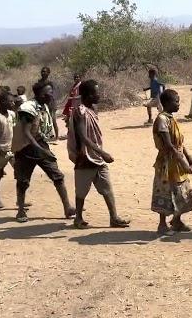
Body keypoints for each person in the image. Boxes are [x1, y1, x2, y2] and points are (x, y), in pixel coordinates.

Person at [67, 79, 130, 229]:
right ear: (88, 95)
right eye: (96, 92)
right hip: (85, 157)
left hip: (96, 156)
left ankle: (114, 217)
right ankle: (78, 219)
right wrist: (103, 153)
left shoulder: (93, 109)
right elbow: (83, 137)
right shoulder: (80, 112)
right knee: (82, 191)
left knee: (107, 188)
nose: (99, 95)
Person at [11, 80, 75, 223]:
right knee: (23, 181)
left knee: (57, 176)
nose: (51, 95)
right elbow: (27, 133)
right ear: (40, 93)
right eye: (48, 92)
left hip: (40, 144)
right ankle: (20, 210)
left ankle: (68, 207)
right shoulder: (28, 107)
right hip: (25, 147)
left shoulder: (43, 106)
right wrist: (41, 150)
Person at [151, 89, 192, 236]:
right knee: (165, 191)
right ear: (166, 103)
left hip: (176, 160)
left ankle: (177, 221)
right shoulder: (162, 120)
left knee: (181, 191)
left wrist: (188, 156)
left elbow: (179, 143)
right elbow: (169, 145)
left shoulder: (171, 119)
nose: (178, 104)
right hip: (167, 162)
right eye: (176, 101)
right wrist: (183, 162)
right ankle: (162, 225)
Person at [0, 91, 17, 209]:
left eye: (13, 101)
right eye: (10, 101)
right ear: (2, 102)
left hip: (12, 148)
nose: (12, 103)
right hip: (1, 149)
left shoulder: (12, 114)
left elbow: (14, 130)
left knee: (20, 172)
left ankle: (20, 199)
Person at [37, 66, 59, 140]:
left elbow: (54, 93)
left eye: (44, 71)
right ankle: (45, 136)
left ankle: (57, 136)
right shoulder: (39, 82)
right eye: (42, 71)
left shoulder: (50, 83)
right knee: (43, 120)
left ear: (48, 73)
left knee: (53, 120)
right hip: (42, 103)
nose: (43, 73)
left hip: (51, 103)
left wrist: (51, 97)